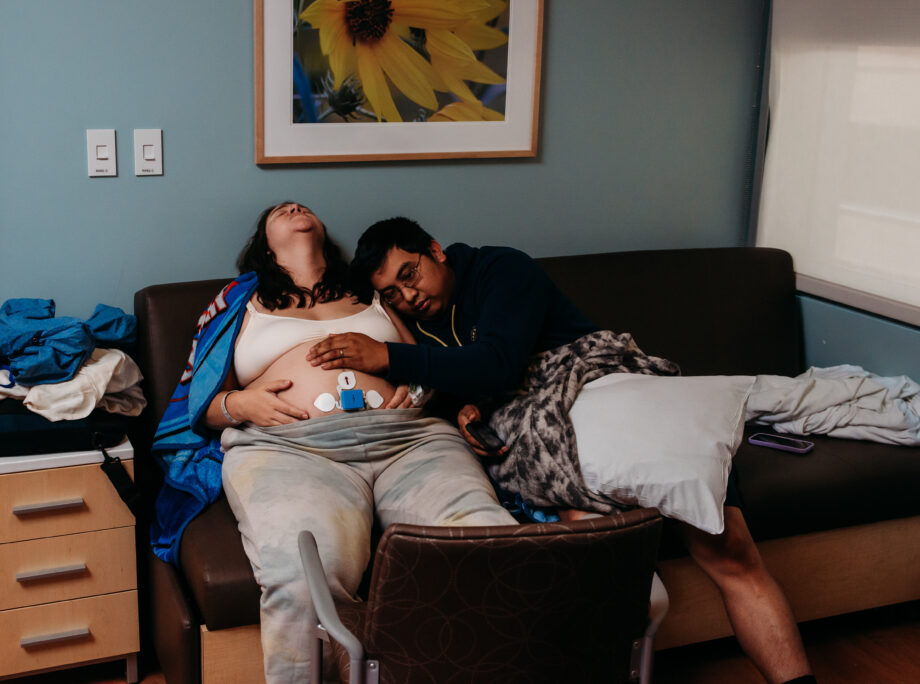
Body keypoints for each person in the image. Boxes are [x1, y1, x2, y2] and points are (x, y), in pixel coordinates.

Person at [306, 217, 817, 684]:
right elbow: (467, 388)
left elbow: (500, 363)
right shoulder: (414, 327)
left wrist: (390, 357)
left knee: (732, 550)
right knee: (583, 544)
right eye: (392, 293)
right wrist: (464, 408)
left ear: (437, 252)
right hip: (556, 443)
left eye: (410, 274)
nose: (408, 296)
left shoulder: (502, 269)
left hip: (609, 391)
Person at [173, 204, 516, 684]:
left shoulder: (372, 295)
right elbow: (202, 403)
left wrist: (418, 390)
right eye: (279, 211)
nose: (293, 207)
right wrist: (242, 405)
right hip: (293, 450)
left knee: (486, 542)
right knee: (301, 574)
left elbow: (425, 365)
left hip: (409, 441)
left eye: (300, 205)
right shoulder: (239, 302)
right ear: (263, 245)